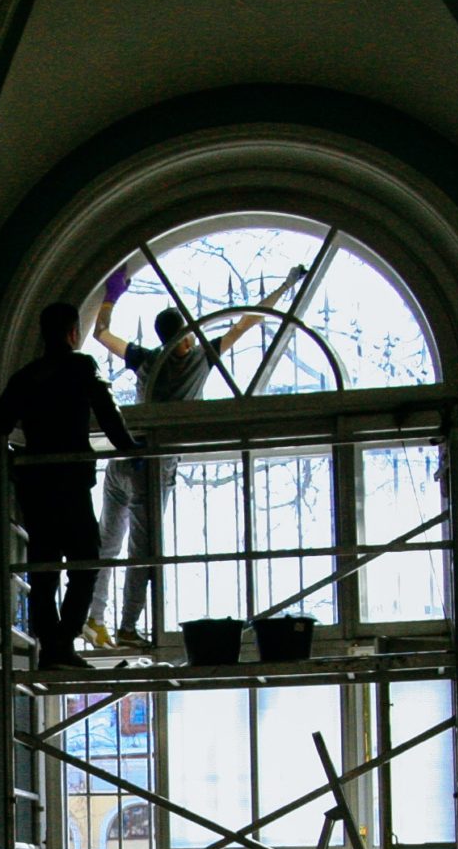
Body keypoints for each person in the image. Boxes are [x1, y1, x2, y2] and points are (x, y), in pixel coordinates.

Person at [90, 264, 308, 646]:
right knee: (144, 551)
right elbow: (246, 323)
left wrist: (112, 292)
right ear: (186, 336)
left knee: (108, 543)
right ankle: (126, 627)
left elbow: (101, 334)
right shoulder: (200, 356)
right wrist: (285, 285)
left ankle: (94, 619)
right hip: (155, 466)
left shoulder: (146, 358)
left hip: (122, 460)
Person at [0, 301, 141, 668]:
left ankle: (52, 645)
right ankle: (61, 643)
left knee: (44, 565)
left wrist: (11, 467)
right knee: (85, 562)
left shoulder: (26, 376)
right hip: (69, 481)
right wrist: (131, 448)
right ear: (73, 332)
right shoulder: (80, 366)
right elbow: (108, 413)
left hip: (36, 484)